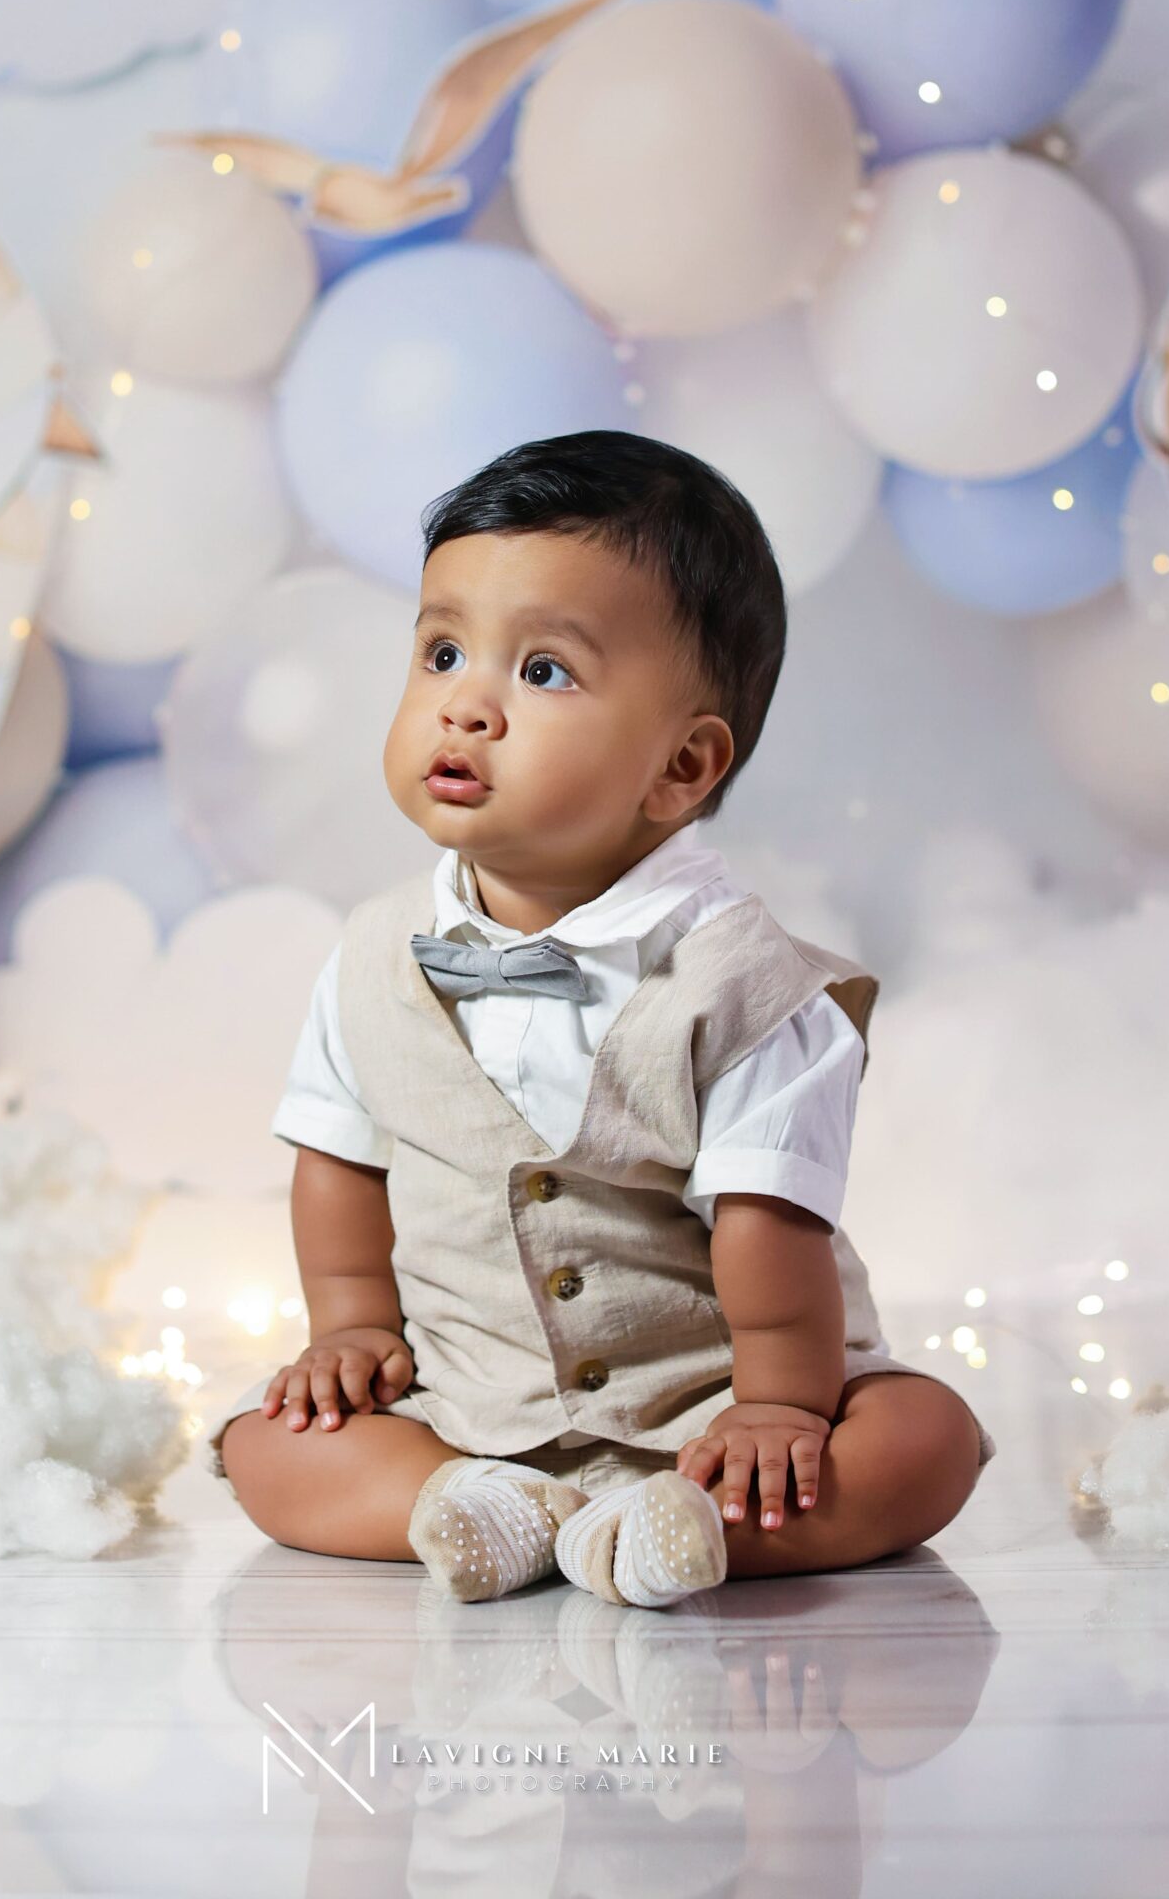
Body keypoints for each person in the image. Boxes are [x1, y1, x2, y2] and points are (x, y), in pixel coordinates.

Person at [209, 431, 994, 1609]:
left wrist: (778, 1403)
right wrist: (353, 1326)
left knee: (924, 1437)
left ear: (680, 765)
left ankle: (692, 1525)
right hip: (470, 1400)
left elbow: (766, 1221)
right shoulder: (373, 952)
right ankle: (467, 1507)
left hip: (719, 1409)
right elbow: (337, 1159)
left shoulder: (749, 984)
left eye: (542, 673)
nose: (466, 705)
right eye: (441, 651)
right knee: (263, 1447)